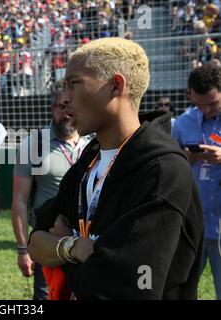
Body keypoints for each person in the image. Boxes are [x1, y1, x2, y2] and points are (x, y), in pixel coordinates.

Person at [28, 37, 204, 299]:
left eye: (74, 84)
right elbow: (36, 243)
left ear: (115, 86)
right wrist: (74, 248)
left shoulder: (162, 171)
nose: (63, 99)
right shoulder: (91, 158)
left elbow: (122, 289)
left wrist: (65, 259)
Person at [11, 81, 90, 300]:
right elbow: (19, 200)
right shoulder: (34, 144)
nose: (66, 113)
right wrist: (22, 249)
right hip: (48, 240)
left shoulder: (91, 142)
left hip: (85, 240)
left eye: (70, 106)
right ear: (51, 109)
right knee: (46, 296)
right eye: (60, 107)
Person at [171, 64, 221, 300]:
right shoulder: (182, 123)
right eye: (199, 104)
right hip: (193, 225)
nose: (206, 110)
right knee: (180, 289)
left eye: (212, 103)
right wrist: (186, 158)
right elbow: (169, 168)